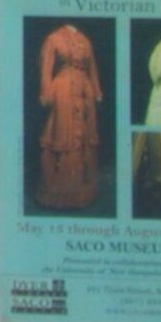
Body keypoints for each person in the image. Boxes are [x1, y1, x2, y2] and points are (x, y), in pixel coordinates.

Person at [30, 20, 110, 214]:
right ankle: (61, 189)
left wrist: (97, 91)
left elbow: (92, 68)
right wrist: (46, 93)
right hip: (63, 90)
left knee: (84, 138)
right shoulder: (54, 39)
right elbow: (46, 67)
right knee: (63, 136)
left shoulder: (85, 40)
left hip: (85, 91)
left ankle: (80, 189)